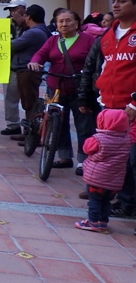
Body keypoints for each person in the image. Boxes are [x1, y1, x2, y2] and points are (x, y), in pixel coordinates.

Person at [27, 9, 95, 171]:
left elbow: (95, 61)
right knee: (58, 123)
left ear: (77, 23)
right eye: (61, 21)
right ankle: (64, 157)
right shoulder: (52, 40)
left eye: (68, 21)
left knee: (84, 124)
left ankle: (83, 160)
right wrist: (35, 62)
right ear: (56, 24)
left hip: (80, 88)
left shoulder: (88, 40)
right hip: (55, 87)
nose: (64, 24)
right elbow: (40, 54)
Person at [96, 0, 136, 221]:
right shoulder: (108, 35)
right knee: (118, 158)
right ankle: (125, 201)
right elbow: (105, 66)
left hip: (131, 108)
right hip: (110, 107)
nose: (116, 5)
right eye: (114, 1)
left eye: (122, 1)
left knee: (132, 159)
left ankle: (129, 202)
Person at [77, 110, 134, 233]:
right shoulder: (126, 140)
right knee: (106, 201)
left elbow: (86, 149)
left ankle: (92, 221)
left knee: (95, 200)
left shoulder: (98, 139)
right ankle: (103, 222)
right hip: (115, 180)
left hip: (96, 178)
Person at [10, 5, 52, 143]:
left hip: (27, 71)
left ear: (28, 17)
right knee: (28, 102)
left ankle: (33, 136)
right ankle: (28, 132)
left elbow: (12, 45)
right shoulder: (41, 30)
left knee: (30, 103)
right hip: (28, 70)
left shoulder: (34, 32)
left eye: (25, 16)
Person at [0, 0, 27, 137]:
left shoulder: (30, 24)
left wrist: (23, 23)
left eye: (15, 9)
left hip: (25, 66)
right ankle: (12, 124)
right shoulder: (5, 24)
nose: (13, 12)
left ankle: (29, 126)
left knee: (28, 98)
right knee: (9, 96)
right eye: (11, 10)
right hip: (9, 65)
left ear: (23, 9)